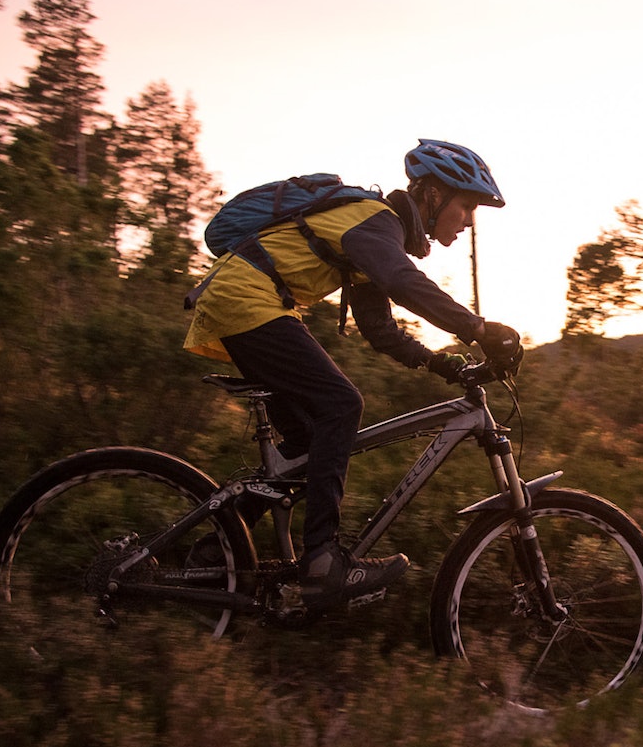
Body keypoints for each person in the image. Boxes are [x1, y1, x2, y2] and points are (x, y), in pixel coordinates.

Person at [183, 139, 522, 611]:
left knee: (304, 443)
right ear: (431, 195)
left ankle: (212, 555)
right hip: (246, 300)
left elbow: (381, 331)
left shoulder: (371, 236)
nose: (467, 221)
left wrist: (441, 362)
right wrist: (478, 329)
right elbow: (402, 282)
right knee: (341, 405)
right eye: (466, 206)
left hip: (246, 302)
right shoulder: (374, 219)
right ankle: (323, 564)